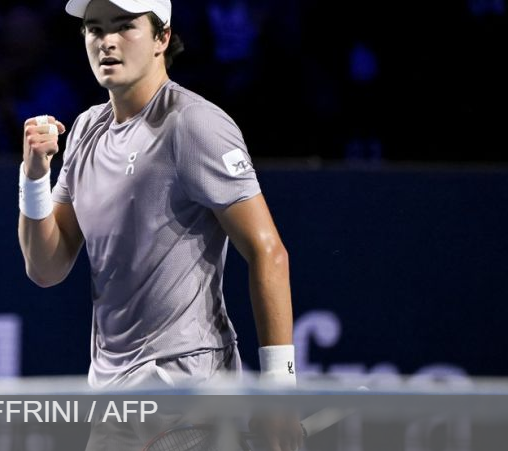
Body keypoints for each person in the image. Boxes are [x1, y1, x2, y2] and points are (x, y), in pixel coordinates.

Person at [17, 0, 300, 447]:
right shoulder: (87, 130)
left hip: (189, 392)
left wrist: (280, 396)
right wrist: (34, 176)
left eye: (125, 26)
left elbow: (269, 252)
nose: (107, 41)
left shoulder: (194, 124)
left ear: (162, 38)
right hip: (115, 400)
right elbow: (46, 268)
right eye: (94, 28)